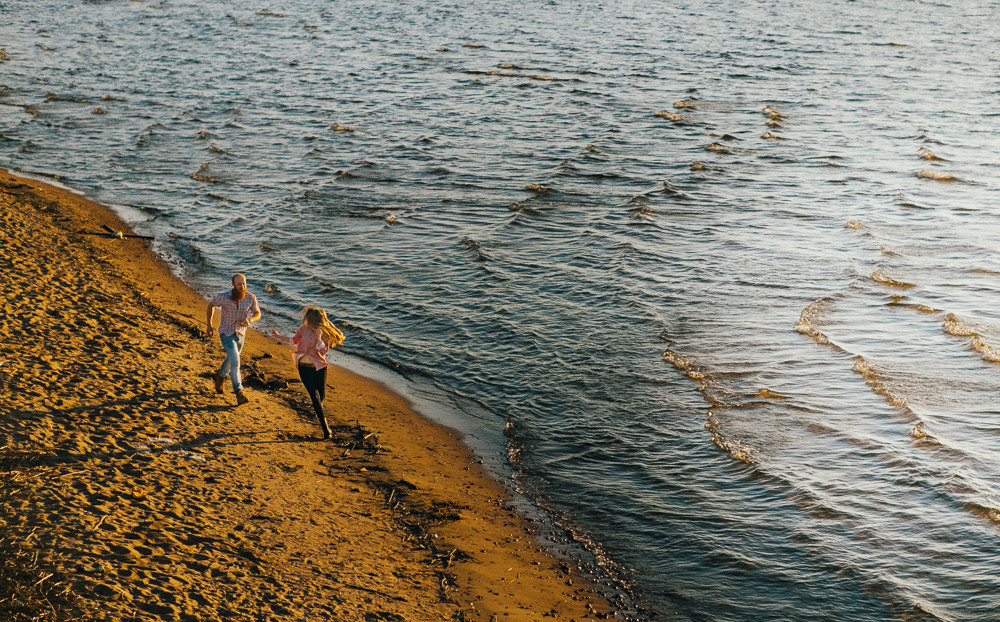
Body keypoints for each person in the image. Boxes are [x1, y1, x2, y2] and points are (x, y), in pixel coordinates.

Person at [271, 307, 345, 439]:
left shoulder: (323, 333)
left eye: (308, 318)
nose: (306, 319)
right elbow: (293, 340)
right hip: (304, 368)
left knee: (320, 398)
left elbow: (322, 351)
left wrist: (319, 338)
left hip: (319, 368)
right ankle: (325, 428)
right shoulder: (303, 329)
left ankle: (319, 413)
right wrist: (277, 336)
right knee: (314, 396)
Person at [206, 273, 261, 406]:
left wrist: (250, 320)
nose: (242, 287)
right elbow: (210, 305)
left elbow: (257, 313)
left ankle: (219, 376)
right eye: (239, 284)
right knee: (235, 361)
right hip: (226, 333)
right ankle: (239, 392)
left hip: (240, 335)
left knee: (232, 359)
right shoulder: (224, 297)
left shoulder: (250, 298)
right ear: (233, 285)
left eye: (244, 284)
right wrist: (209, 325)